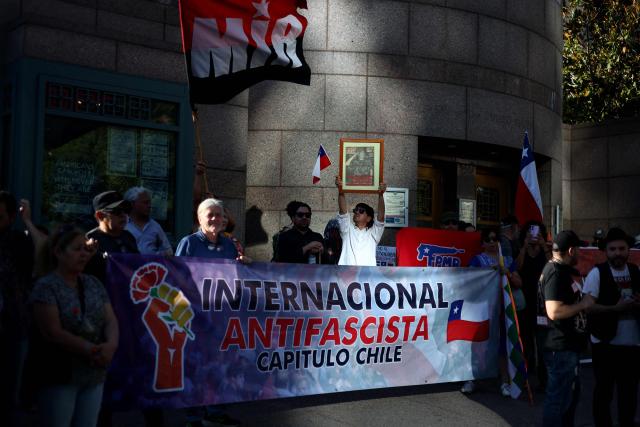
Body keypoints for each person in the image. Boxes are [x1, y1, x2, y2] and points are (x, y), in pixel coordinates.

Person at [29, 225, 119, 427]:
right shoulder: (46, 286)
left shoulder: (93, 283)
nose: (83, 254)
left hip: (93, 374)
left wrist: (111, 345)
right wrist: (91, 349)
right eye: (77, 249)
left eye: (85, 249)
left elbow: (110, 320)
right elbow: (53, 332)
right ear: (58, 252)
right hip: (59, 374)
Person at [176, 198, 249, 427]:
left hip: (221, 316)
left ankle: (216, 410)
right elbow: (177, 276)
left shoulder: (228, 245)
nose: (216, 219)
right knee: (197, 366)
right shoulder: (189, 243)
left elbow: (234, 278)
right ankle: (194, 416)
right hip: (196, 318)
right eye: (211, 214)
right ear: (199, 218)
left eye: (219, 215)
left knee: (221, 365)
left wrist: (245, 264)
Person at [582, 227, 640, 427]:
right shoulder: (597, 273)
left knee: (629, 392)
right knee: (604, 392)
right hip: (605, 342)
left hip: (632, 343)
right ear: (605, 251)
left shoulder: (635, 271)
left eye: (622, 248)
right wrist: (615, 308)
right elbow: (588, 307)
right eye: (613, 249)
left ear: (628, 250)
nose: (618, 253)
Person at [537, 230, 593, 427]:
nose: (580, 253)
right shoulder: (555, 272)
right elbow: (554, 311)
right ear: (571, 250)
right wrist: (583, 304)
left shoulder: (561, 271)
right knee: (559, 400)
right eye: (579, 249)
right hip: (559, 348)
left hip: (566, 346)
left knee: (568, 398)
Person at [461, 227, 522, 396]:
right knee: (478, 345)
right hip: (483, 310)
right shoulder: (477, 260)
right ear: (482, 243)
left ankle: (504, 381)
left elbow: (519, 282)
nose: (492, 242)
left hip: (503, 310)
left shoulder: (508, 260)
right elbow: (469, 281)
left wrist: (507, 272)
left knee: (503, 345)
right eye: (488, 239)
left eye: (495, 239)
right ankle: (471, 378)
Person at [0, 190, 34, 427]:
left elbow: (43, 253)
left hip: (12, 327)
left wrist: (28, 222)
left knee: (9, 393)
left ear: (11, 217)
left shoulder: (18, 240)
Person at [516, 220, 552, 388]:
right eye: (530, 233)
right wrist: (524, 246)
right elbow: (518, 267)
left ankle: (544, 379)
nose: (534, 237)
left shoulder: (546, 251)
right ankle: (525, 378)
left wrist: (544, 246)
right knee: (526, 342)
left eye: (537, 233)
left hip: (541, 305)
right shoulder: (521, 250)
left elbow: (553, 268)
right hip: (525, 304)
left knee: (542, 342)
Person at [84, 191, 139, 286]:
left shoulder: (129, 237)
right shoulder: (90, 239)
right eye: (116, 211)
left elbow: (138, 264)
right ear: (100, 216)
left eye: (125, 210)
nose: (123, 215)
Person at [335, 176, 386, 266]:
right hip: (346, 276)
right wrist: (340, 190)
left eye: (361, 211)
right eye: (356, 210)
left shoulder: (374, 233)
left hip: (367, 277)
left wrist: (381, 195)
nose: (357, 212)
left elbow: (381, 217)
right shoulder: (347, 230)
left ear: (369, 218)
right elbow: (343, 211)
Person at [124, 187, 172, 256]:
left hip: (150, 266)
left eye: (149, 202)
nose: (149, 206)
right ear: (132, 204)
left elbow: (169, 251)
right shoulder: (123, 224)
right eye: (145, 203)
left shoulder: (155, 226)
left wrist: (156, 256)